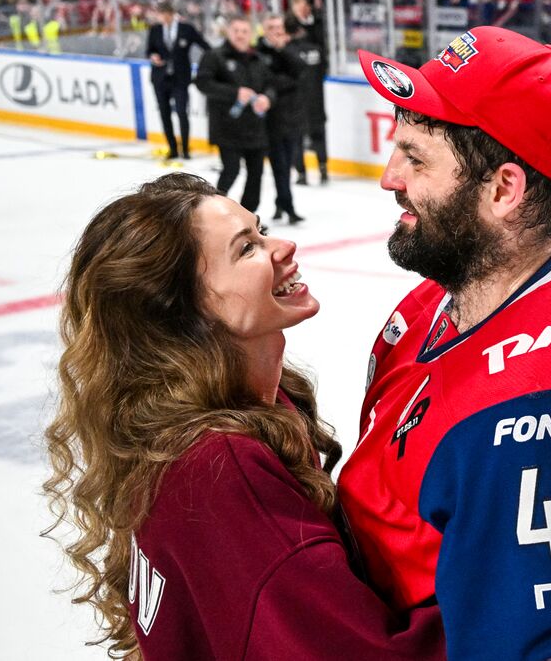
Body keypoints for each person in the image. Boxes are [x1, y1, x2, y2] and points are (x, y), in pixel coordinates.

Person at [342, 27, 551, 660]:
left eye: (415, 157)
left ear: (502, 190)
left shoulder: (531, 414)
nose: (389, 177)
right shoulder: (434, 301)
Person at [43, 172, 446, 659]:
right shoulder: (221, 468)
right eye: (246, 249)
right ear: (187, 312)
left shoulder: (257, 407)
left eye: (261, 229)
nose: (283, 246)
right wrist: (512, 589)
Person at [195, 16, 274, 212]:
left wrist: (267, 99)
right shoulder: (214, 56)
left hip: (255, 128)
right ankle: (212, 211)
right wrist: (234, 93)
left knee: (256, 173)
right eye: (236, 31)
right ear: (228, 32)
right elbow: (203, 83)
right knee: (231, 170)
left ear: (251, 35)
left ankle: (249, 216)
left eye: (245, 31)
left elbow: (271, 84)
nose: (240, 35)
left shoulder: (258, 59)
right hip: (227, 127)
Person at [145, 1, 211, 159]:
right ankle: (173, 148)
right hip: (160, 79)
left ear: (170, 13)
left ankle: (186, 148)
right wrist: (153, 57)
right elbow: (149, 50)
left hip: (180, 79)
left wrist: (207, 67)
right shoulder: (155, 30)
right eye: (159, 14)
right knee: (164, 113)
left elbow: (206, 47)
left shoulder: (186, 29)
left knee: (182, 112)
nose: (161, 17)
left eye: (164, 14)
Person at [257, 14, 306, 224]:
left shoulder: (290, 49)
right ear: (265, 29)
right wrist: (286, 81)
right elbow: (265, 80)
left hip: (293, 116)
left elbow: (300, 70)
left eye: (280, 26)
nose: (277, 30)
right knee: (279, 163)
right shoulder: (258, 52)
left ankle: (282, 202)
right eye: (272, 26)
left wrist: (281, 48)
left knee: (287, 164)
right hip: (271, 118)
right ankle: (288, 205)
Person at [287, 17, 330, 187]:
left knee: (297, 139)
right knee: (318, 135)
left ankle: (302, 173)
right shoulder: (316, 49)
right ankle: (323, 168)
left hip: (295, 103)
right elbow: (323, 71)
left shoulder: (288, 51)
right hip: (316, 101)